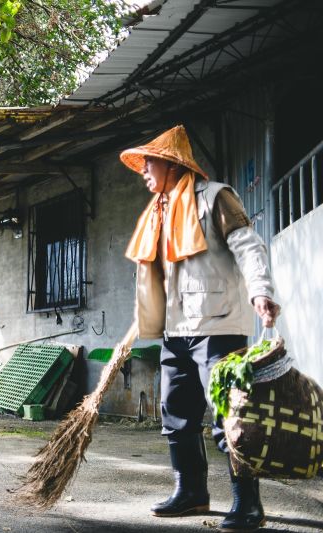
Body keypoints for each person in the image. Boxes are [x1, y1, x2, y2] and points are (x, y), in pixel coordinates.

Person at [121, 125, 281, 532]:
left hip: (219, 325)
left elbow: (248, 244)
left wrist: (260, 291)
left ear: (172, 163)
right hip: (176, 330)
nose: (143, 171)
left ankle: (248, 503)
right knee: (175, 413)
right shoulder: (157, 210)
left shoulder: (214, 197)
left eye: (149, 162)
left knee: (231, 415)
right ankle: (191, 492)